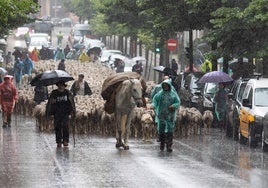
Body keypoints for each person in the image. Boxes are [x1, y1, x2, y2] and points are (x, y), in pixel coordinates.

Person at [151, 79, 180, 152]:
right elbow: (155, 100)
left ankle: (169, 145)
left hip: (170, 114)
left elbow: (178, 102)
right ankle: (162, 143)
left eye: (167, 85)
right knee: (161, 128)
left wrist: (173, 106)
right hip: (161, 113)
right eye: (164, 85)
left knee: (170, 128)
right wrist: (153, 105)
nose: (165, 87)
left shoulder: (173, 94)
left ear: (169, 86)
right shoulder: (160, 94)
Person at [45, 80, 76, 148]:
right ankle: (59, 141)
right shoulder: (54, 93)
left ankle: (65, 140)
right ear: (58, 86)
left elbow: (71, 103)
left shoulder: (68, 93)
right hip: (57, 113)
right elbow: (50, 103)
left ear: (64, 86)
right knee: (57, 127)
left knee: (65, 126)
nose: (61, 86)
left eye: (62, 85)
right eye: (59, 85)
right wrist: (53, 102)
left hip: (65, 113)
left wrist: (72, 111)